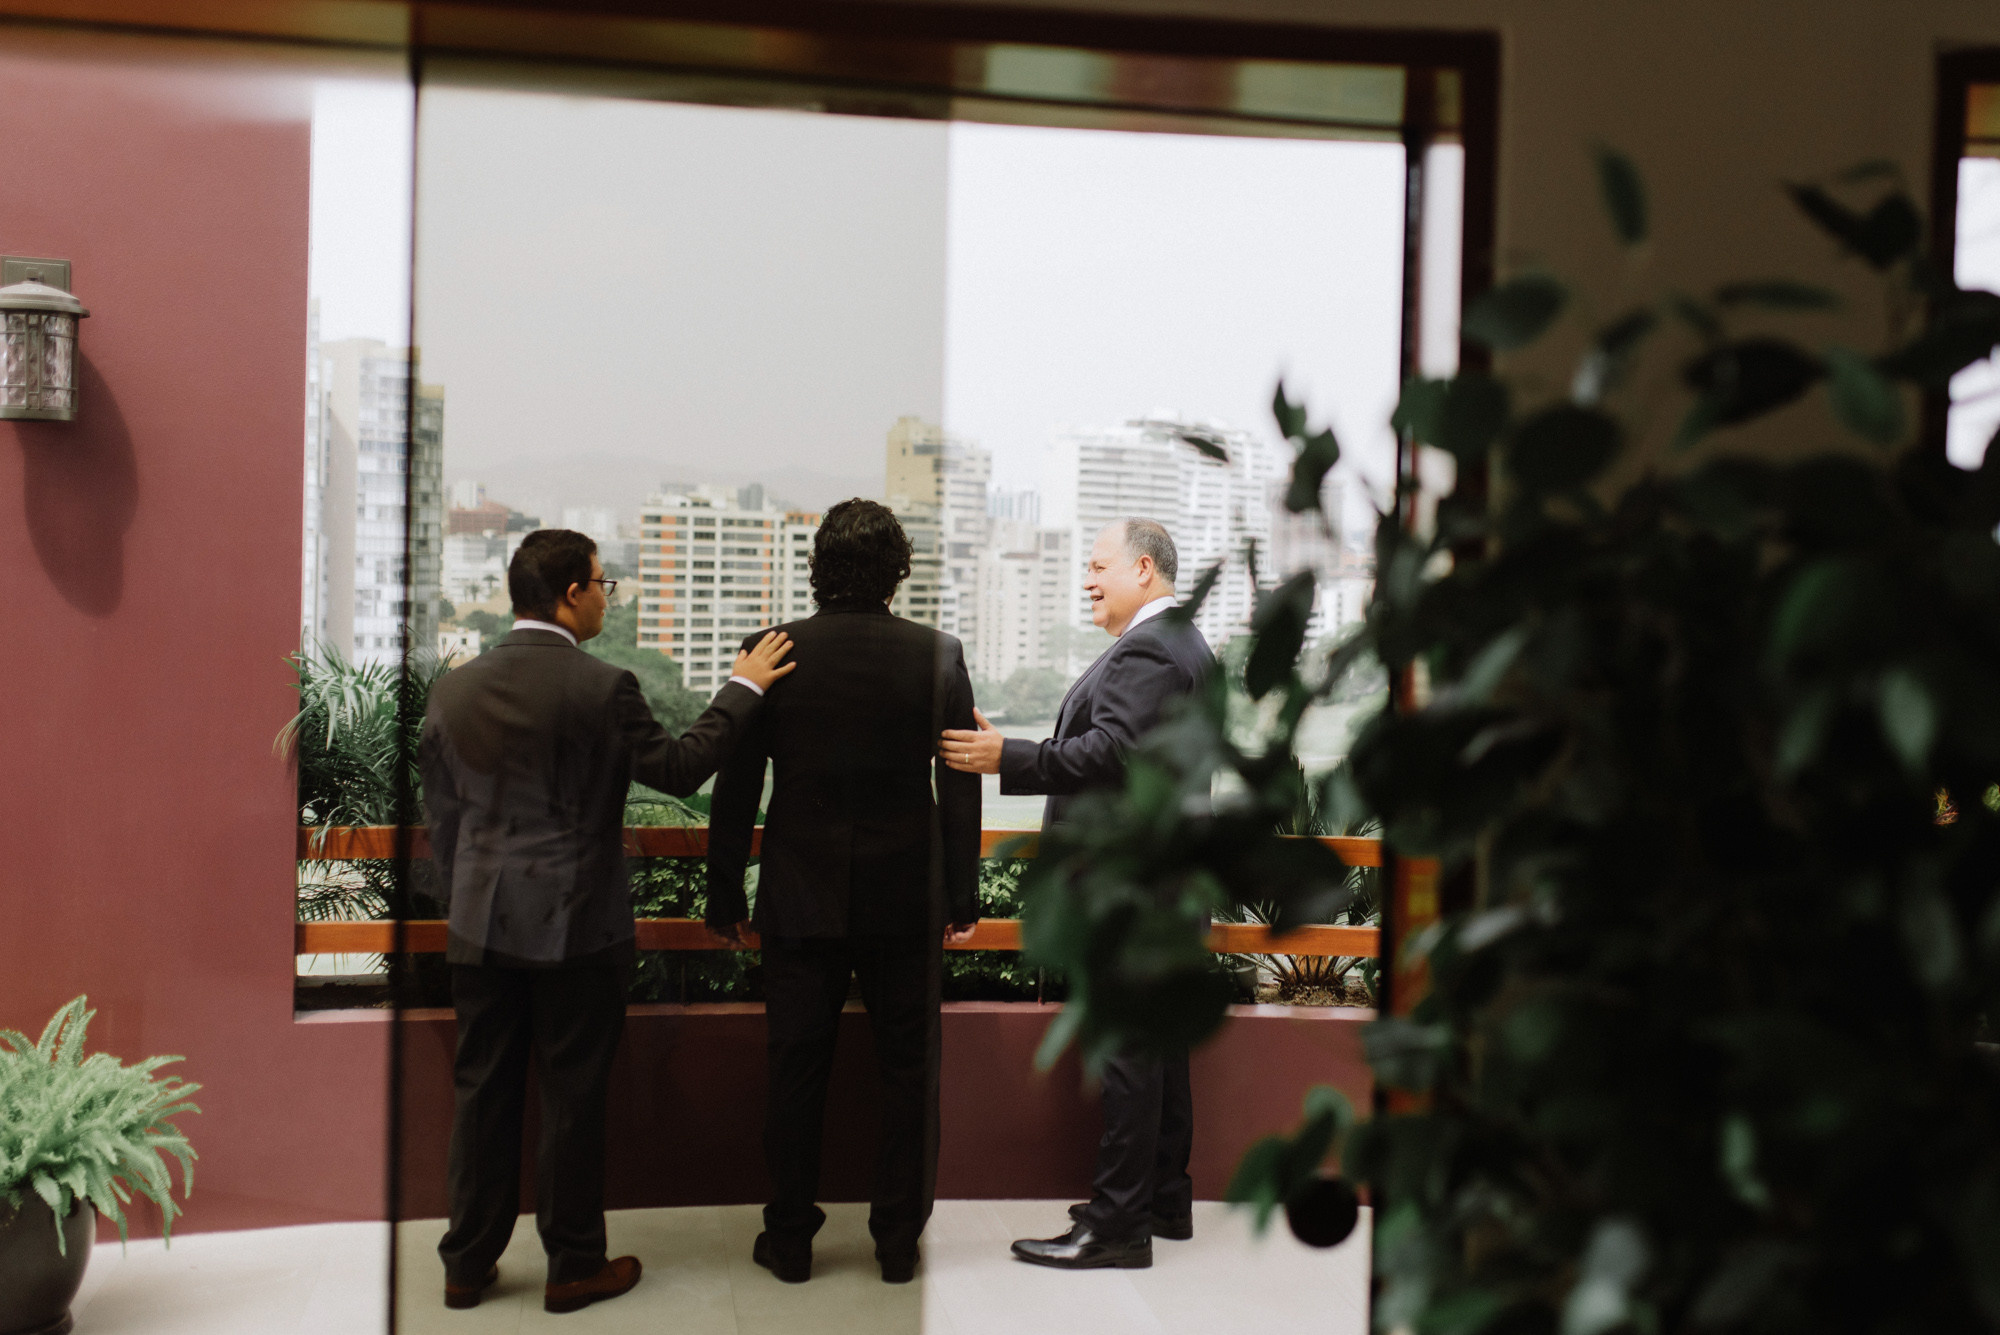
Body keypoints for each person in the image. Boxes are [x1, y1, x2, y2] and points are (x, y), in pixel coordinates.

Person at [421, 528, 796, 1315]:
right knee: (570, 1100)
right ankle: (572, 1266)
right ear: (569, 593)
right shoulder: (602, 687)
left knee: (482, 1095)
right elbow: (682, 765)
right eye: (602, 582)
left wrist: (470, 894)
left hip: (480, 925)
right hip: (576, 927)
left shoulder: (453, 689)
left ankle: (466, 1262)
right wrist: (742, 686)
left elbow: (445, 817)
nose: (606, 595)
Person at [706, 498, 982, 1286]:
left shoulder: (772, 649)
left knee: (796, 1068)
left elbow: (737, 785)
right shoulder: (938, 652)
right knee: (909, 1071)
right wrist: (963, 896)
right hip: (906, 898)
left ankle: (790, 1237)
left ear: (818, 566)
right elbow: (959, 779)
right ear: (899, 570)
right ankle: (898, 1241)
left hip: (800, 892)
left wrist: (724, 894)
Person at [939, 517, 1213, 1271]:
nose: (1086, 579)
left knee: (1129, 1052)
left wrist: (1009, 757)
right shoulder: (1187, 641)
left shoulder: (1151, 646)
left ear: (1146, 570)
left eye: (1097, 565)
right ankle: (1161, 1197)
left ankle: (1117, 1225)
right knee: (1161, 1049)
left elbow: (1114, 753)